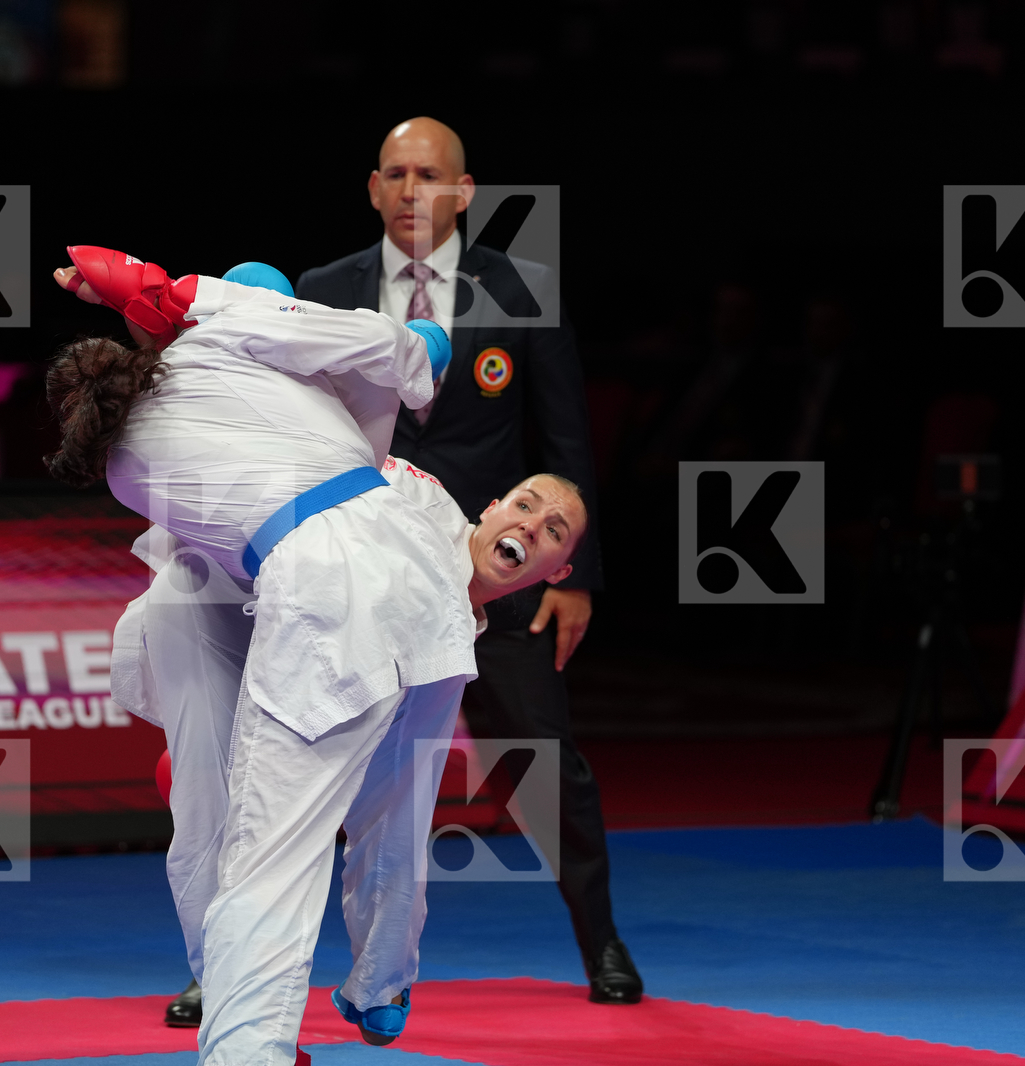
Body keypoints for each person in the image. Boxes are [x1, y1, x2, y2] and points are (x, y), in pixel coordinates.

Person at [49, 247, 588, 1066]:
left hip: (297, 597)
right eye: (530, 508)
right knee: (310, 830)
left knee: (248, 838)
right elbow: (356, 341)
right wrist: (422, 352)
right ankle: (324, 1007)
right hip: (298, 599)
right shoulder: (247, 352)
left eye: (553, 530)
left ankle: (271, 1022)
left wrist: (151, 295)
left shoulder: (135, 455)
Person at [296, 117, 642, 1004]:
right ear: (374, 188)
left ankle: (601, 941)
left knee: (543, 760)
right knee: (311, 771)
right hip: (364, 578)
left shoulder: (523, 290)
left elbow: (566, 441)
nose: (414, 192)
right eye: (398, 176)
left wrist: (578, 577)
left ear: (464, 190)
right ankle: (256, 965)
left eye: (431, 176)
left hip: (502, 574)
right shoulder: (324, 291)